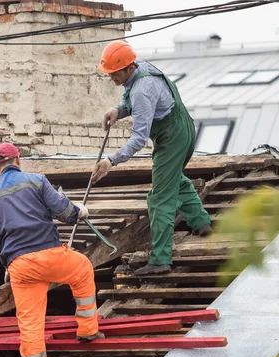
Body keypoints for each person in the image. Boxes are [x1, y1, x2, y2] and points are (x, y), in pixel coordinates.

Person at [0, 143, 104, 357]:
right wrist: (78, 212)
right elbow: (63, 212)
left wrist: (5, 265)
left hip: (19, 266)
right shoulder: (37, 181)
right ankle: (87, 329)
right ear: (18, 159)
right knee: (82, 267)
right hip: (49, 254)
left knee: (29, 326)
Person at [91, 40, 212, 276]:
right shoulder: (139, 71)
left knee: (159, 197)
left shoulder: (142, 90)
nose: (111, 78)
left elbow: (139, 138)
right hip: (181, 128)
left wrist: (111, 161)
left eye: (114, 73)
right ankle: (201, 222)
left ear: (127, 67)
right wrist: (118, 110)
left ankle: (160, 260)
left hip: (172, 137)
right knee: (172, 178)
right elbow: (129, 99)